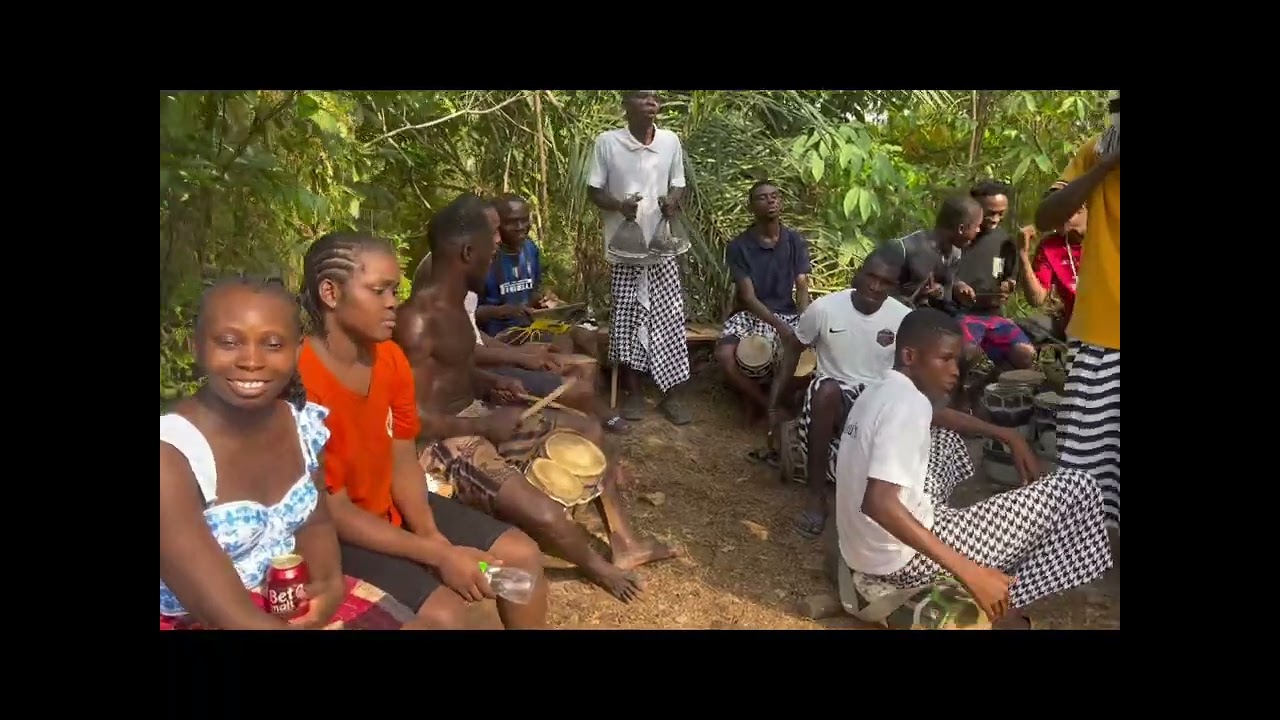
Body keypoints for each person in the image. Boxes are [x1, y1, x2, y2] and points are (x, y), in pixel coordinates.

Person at [396, 194, 675, 603]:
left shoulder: (453, 304)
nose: (494, 261)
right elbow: (411, 420)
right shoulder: (416, 322)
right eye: (490, 254)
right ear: (468, 252)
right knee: (546, 514)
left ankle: (623, 542)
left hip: (475, 414)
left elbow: (454, 366)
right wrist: (481, 425)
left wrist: (491, 381)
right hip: (445, 443)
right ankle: (598, 567)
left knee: (588, 429)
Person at [296, 231, 550, 630]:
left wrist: (433, 537)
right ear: (330, 292)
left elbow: (403, 460)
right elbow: (334, 510)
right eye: (379, 290)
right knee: (444, 614)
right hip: (336, 536)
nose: (393, 302)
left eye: (394, 290)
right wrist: (438, 556)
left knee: (522, 561)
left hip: (394, 510)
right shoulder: (301, 382)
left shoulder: (390, 359)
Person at [160, 276, 417, 630]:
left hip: (282, 600)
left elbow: (316, 521)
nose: (251, 360)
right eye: (229, 342)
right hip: (201, 617)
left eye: (273, 344)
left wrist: (326, 591)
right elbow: (226, 614)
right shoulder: (171, 456)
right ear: (195, 347)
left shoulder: (302, 427)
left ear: (297, 352)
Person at [835, 307, 1112, 628]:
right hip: (900, 560)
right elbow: (879, 502)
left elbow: (937, 416)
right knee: (1079, 488)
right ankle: (1003, 592)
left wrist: (1006, 434)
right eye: (945, 359)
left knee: (945, 439)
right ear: (910, 356)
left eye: (957, 360)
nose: (955, 370)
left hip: (862, 548)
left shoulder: (883, 390)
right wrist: (971, 571)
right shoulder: (907, 405)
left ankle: (968, 563)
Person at [771, 250, 1041, 538]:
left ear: (893, 287)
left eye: (885, 282)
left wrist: (1005, 434)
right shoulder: (824, 309)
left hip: (879, 398)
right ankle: (816, 498)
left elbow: (921, 399)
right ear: (858, 274)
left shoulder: (902, 318)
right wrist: (774, 405)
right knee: (825, 390)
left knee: (929, 424)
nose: (875, 287)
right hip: (835, 398)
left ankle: (910, 508)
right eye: (870, 277)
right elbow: (793, 352)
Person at [416, 226, 628, 434]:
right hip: (474, 375)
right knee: (580, 391)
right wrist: (518, 356)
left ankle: (585, 418)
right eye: (492, 232)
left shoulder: (467, 281)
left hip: (486, 361)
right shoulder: (442, 274)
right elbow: (460, 353)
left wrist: (521, 353)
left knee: (573, 364)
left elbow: (473, 335)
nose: (498, 240)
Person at [1035, 90, 1120, 531]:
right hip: (1103, 335)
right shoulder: (1095, 152)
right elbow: (1047, 214)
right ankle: (1085, 547)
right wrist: (1103, 167)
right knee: (1088, 464)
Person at [588, 90, 692, 425]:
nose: (652, 102)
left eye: (655, 97)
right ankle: (633, 394)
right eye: (642, 96)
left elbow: (679, 184)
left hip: (662, 247)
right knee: (628, 321)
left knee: (669, 319)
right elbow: (594, 190)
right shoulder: (606, 142)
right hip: (625, 249)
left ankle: (671, 396)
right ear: (625, 105)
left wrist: (673, 202)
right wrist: (620, 205)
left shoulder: (671, 141)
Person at [716, 180, 811, 419]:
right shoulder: (739, 246)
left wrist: (805, 323)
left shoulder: (795, 241)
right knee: (725, 356)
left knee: (806, 360)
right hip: (751, 314)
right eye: (762, 197)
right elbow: (747, 296)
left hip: (786, 313)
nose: (770, 201)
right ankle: (767, 405)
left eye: (774, 196)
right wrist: (780, 328)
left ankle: (773, 401)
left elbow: (801, 287)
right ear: (751, 207)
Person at [952, 180, 1036, 370]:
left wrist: (1008, 285)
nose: (996, 219)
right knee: (968, 353)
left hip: (992, 317)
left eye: (1001, 214)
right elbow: (938, 273)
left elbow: (1009, 276)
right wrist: (957, 286)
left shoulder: (1004, 241)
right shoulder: (957, 236)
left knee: (1025, 354)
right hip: (959, 314)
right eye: (990, 213)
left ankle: (993, 388)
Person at [878, 194, 983, 312]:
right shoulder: (905, 249)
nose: (979, 230)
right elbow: (874, 289)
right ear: (961, 229)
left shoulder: (954, 254)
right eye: (977, 226)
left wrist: (955, 289)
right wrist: (915, 297)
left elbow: (945, 297)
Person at [1018, 182, 1087, 334]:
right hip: (1079, 330)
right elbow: (1036, 299)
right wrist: (1023, 254)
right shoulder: (1050, 247)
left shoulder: (1110, 233)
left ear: (1081, 207)